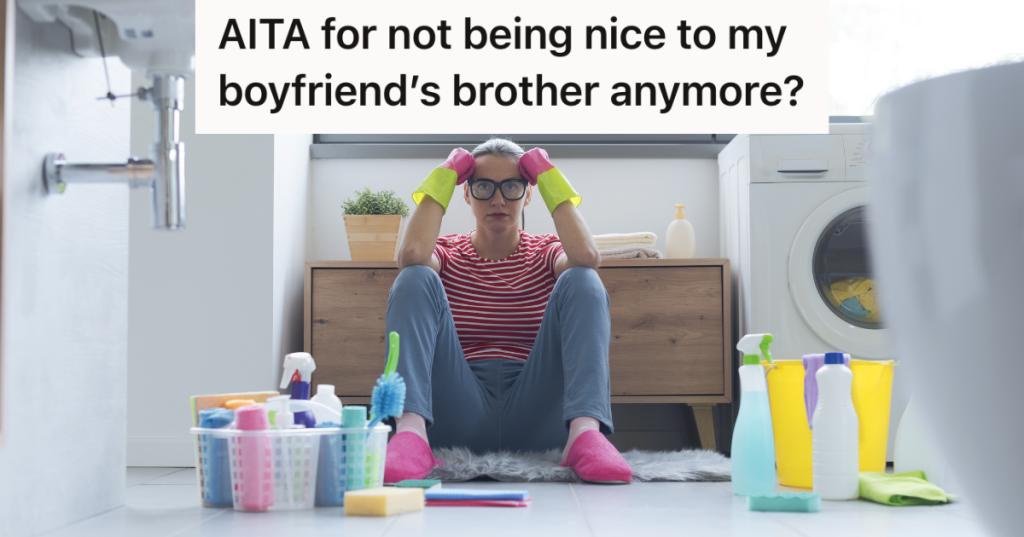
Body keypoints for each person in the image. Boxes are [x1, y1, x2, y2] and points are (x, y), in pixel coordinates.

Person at [383, 138, 632, 484]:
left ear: (528, 195)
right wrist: (445, 174)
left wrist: (547, 175)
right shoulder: (446, 252)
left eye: (512, 187)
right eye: (483, 187)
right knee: (414, 276)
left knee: (584, 278)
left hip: (537, 412)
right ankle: (410, 433)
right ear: (466, 194)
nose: (498, 200)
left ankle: (585, 434)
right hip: (457, 412)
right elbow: (410, 255)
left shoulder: (545, 250)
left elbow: (587, 257)